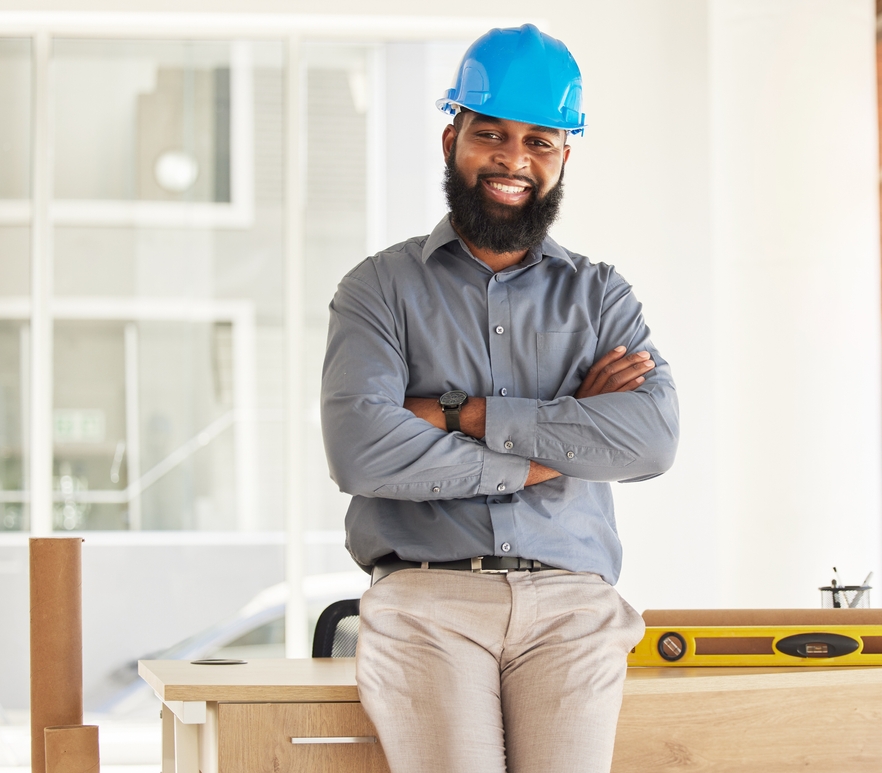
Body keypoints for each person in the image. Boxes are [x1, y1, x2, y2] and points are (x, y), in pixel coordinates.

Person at [321, 23, 679, 773]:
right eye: (492, 135)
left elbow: (648, 438)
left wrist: (461, 413)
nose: (513, 159)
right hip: (427, 599)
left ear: (563, 157)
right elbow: (362, 448)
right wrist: (556, 448)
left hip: (572, 605)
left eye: (539, 142)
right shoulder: (378, 289)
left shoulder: (600, 295)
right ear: (452, 139)